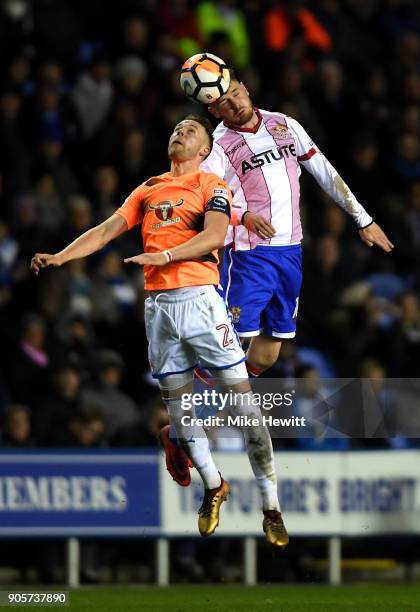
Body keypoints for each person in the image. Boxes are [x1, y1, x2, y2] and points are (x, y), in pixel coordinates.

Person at [30, 115, 288, 547]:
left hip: (201, 303)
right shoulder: (148, 189)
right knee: (180, 419)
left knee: (245, 410)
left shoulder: (210, 186)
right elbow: (107, 230)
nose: (180, 131)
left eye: (192, 130)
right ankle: (213, 485)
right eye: (177, 127)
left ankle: (271, 506)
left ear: (205, 150)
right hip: (159, 311)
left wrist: (165, 256)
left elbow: (213, 237)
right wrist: (61, 256)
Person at [197, 68, 394, 380]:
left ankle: (217, 416)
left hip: (290, 252)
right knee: (228, 346)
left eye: (235, 93)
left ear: (246, 89)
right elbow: (207, 201)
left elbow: (324, 171)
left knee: (267, 353)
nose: (234, 103)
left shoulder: (284, 124)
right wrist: (242, 216)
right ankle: (189, 420)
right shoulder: (217, 146)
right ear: (214, 110)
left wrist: (362, 219)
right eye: (224, 101)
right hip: (249, 254)